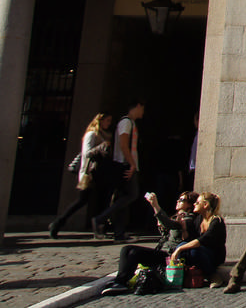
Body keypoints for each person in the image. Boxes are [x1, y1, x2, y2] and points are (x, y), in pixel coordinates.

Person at [99, 191, 198, 296]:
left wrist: (155, 205)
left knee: (134, 253)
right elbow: (167, 232)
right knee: (127, 249)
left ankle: (121, 283)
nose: (178, 201)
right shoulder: (178, 216)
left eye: (182, 200)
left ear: (190, 205)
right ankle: (120, 281)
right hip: (161, 252)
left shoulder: (189, 218)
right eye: (179, 198)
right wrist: (162, 227)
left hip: (169, 257)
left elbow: (170, 224)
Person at [49, 113, 113, 238]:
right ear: (100, 121)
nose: (109, 123)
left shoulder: (105, 135)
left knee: (102, 201)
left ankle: (100, 229)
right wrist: (102, 146)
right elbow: (87, 153)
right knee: (82, 200)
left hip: (100, 173)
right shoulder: (92, 134)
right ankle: (57, 223)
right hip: (89, 172)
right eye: (107, 120)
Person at [93, 98, 145, 241]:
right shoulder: (125, 122)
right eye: (142, 108)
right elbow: (123, 144)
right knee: (131, 195)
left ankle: (119, 232)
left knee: (124, 198)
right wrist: (132, 164)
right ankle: (101, 219)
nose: (143, 112)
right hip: (125, 164)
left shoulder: (131, 123)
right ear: (138, 105)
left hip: (127, 164)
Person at [169, 192, 226, 282]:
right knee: (183, 245)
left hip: (213, 255)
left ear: (205, 205)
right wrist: (184, 228)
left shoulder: (216, 221)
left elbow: (200, 241)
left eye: (197, 202)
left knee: (193, 250)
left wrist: (178, 250)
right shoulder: (199, 219)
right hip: (201, 250)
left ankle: (213, 275)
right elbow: (189, 239)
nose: (194, 204)